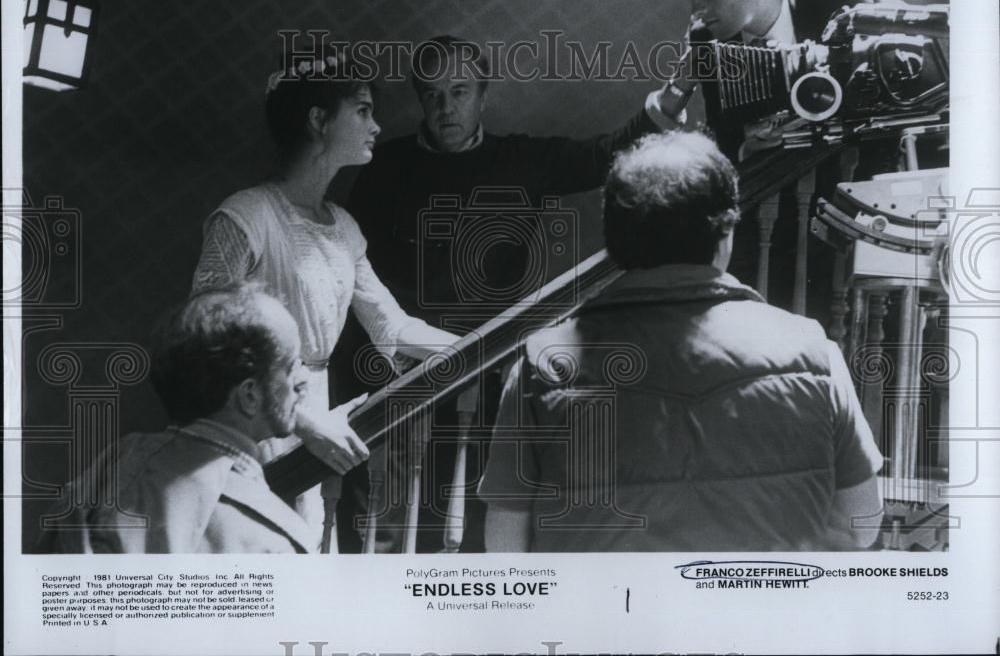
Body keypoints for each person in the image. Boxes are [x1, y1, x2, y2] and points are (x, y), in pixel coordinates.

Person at [335, 36, 676, 552]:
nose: (445, 107)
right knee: (389, 511)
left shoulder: (521, 159)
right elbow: (357, 276)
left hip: (491, 358)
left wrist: (675, 95)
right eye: (432, 94)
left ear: (483, 97)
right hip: (406, 366)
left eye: (459, 91)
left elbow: (605, 154)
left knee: (486, 501)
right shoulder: (386, 166)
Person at [480, 131, 884, 551]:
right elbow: (860, 525)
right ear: (725, 234)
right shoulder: (814, 351)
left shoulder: (544, 363)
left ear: (614, 241)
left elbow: (505, 542)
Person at [191, 57, 460, 541]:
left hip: (314, 416)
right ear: (319, 120)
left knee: (305, 546)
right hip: (248, 420)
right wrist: (302, 421)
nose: (376, 125)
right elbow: (203, 342)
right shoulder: (247, 216)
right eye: (362, 111)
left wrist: (478, 346)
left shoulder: (342, 227)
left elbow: (391, 326)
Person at [652, 0, 905, 319]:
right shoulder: (706, 39)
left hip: (869, 211)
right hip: (782, 227)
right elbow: (728, 137)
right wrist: (748, 147)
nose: (696, 11)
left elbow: (932, 72)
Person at [46, 288, 329, 553]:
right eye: (292, 366)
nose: (303, 380)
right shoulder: (276, 541)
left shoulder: (108, 470)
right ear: (249, 395)